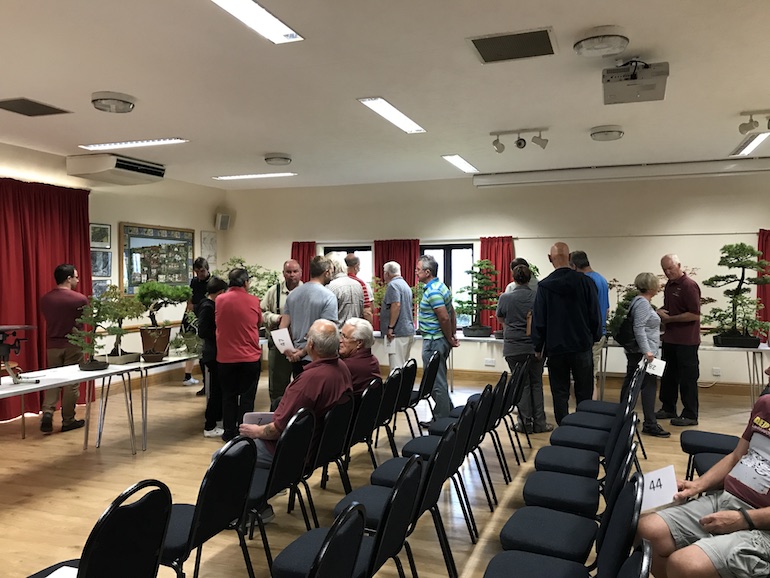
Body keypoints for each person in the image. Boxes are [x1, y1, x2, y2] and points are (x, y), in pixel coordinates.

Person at [637, 393, 770, 578]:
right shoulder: (765, 404)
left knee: (684, 564)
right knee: (647, 530)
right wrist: (698, 485)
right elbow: (736, 456)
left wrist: (743, 519)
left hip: (764, 524)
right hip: (728, 498)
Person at [239, 319, 353, 468]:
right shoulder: (343, 368)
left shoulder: (308, 382)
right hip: (324, 446)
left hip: (295, 451)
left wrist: (256, 431)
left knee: (226, 456)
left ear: (311, 345)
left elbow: (277, 430)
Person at [531, 242, 601, 424]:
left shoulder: (544, 286)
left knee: (560, 391)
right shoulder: (586, 282)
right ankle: (583, 425)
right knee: (584, 390)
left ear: (549, 258)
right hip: (582, 345)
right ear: (570, 258)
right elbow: (595, 314)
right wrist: (594, 336)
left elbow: (539, 319)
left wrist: (538, 346)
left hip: (556, 348)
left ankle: (563, 426)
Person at [496, 264, 552, 434]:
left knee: (521, 385)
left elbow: (500, 318)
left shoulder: (505, 298)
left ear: (513, 279)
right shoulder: (538, 297)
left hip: (513, 347)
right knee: (536, 383)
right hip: (535, 346)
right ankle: (540, 423)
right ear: (530, 279)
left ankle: (524, 423)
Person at [39, 264, 89, 434]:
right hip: (73, 345)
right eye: (76, 277)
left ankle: (47, 412)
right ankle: (68, 420)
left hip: (52, 345)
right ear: (68, 279)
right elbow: (85, 320)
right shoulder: (80, 299)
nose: (78, 280)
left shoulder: (46, 299)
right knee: (71, 384)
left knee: (53, 380)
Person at [215, 268, 263, 442]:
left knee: (228, 396)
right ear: (245, 282)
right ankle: (244, 433)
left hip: (226, 358)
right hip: (249, 357)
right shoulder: (253, 300)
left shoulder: (220, 300)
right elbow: (258, 322)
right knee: (247, 398)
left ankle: (229, 432)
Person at [621, 272, 670, 438]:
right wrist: (647, 351)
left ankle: (624, 416)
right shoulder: (642, 304)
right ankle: (649, 423)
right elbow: (639, 328)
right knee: (647, 386)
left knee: (633, 384)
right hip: (643, 353)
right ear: (651, 287)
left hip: (641, 352)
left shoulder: (640, 302)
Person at [656, 253, 702, 426]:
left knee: (687, 379)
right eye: (665, 270)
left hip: (686, 341)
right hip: (670, 339)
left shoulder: (689, 285)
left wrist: (670, 319)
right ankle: (668, 408)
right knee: (668, 376)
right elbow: (671, 308)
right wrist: (659, 311)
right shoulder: (669, 285)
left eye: (670, 268)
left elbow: (695, 314)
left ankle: (690, 414)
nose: (668, 272)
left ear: (679, 265)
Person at [416, 254, 459, 422]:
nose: (416, 272)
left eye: (418, 269)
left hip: (434, 341)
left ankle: (442, 420)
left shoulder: (433, 291)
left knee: (435, 382)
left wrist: (449, 337)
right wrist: (451, 335)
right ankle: (449, 412)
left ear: (427, 272)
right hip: (439, 340)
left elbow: (444, 317)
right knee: (438, 379)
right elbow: (452, 312)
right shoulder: (441, 287)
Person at [280, 255, 338, 377]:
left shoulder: (292, 295)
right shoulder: (329, 296)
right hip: (317, 358)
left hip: (295, 357)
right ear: (327, 272)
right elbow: (324, 333)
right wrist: (302, 353)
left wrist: (288, 351)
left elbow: (282, 327)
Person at [262, 259, 303, 410]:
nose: (292, 275)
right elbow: (262, 313)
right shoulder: (274, 291)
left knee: (302, 383)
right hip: (279, 341)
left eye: (295, 271)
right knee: (278, 385)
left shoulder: (307, 291)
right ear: (283, 273)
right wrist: (276, 318)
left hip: (301, 343)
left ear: (301, 273)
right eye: (288, 272)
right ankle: (276, 415)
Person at [570, 250, 610, 400]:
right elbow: (606, 310)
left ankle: (587, 410)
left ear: (574, 265)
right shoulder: (602, 279)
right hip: (600, 333)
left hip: (587, 335)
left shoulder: (584, 281)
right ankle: (589, 408)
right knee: (591, 375)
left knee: (584, 378)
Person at [196, 276, 228, 438]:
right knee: (215, 391)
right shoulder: (207, 307)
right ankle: (209, 425)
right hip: (212, 354)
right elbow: (202, 331)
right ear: (221, 292)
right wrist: (220, 333)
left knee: (220, 390)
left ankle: (218, 420)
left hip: (217, 353)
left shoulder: (212, 306)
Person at [381, 260, 415, 372]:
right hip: (407, 330)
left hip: (397, 333)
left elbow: (396, 305)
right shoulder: (405, 285)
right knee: (404, 365)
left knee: (396, 368)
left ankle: (398, 385)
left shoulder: (393, 285)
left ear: (387, 273)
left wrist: (390, 327)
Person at [184, 257, 210, 391]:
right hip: (193, 318)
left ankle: (208, 384)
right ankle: (189, 376)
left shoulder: (212, 282)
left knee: (204, 352)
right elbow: (190, 298)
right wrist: (189, 307)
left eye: (202, 271)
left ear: (207, 269)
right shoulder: (194, 281)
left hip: (205, 318)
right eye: (197, 271)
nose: (200, 274)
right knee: (193, 349)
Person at [339, 317, 381, 394]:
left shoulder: (346, 367)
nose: (340, 340)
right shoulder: (373, 360)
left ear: (359, 343)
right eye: (341, 335)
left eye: (345, 337)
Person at [327, 252, 364, 325]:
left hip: (337, 330)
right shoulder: (358, 285)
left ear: (331, 268)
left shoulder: (330, 287)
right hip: (355, 329)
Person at [345, 253, 373, 323]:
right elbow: (367, 312)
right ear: (356, 266)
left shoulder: (335, 284)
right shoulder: (363, 285)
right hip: (358, 324)